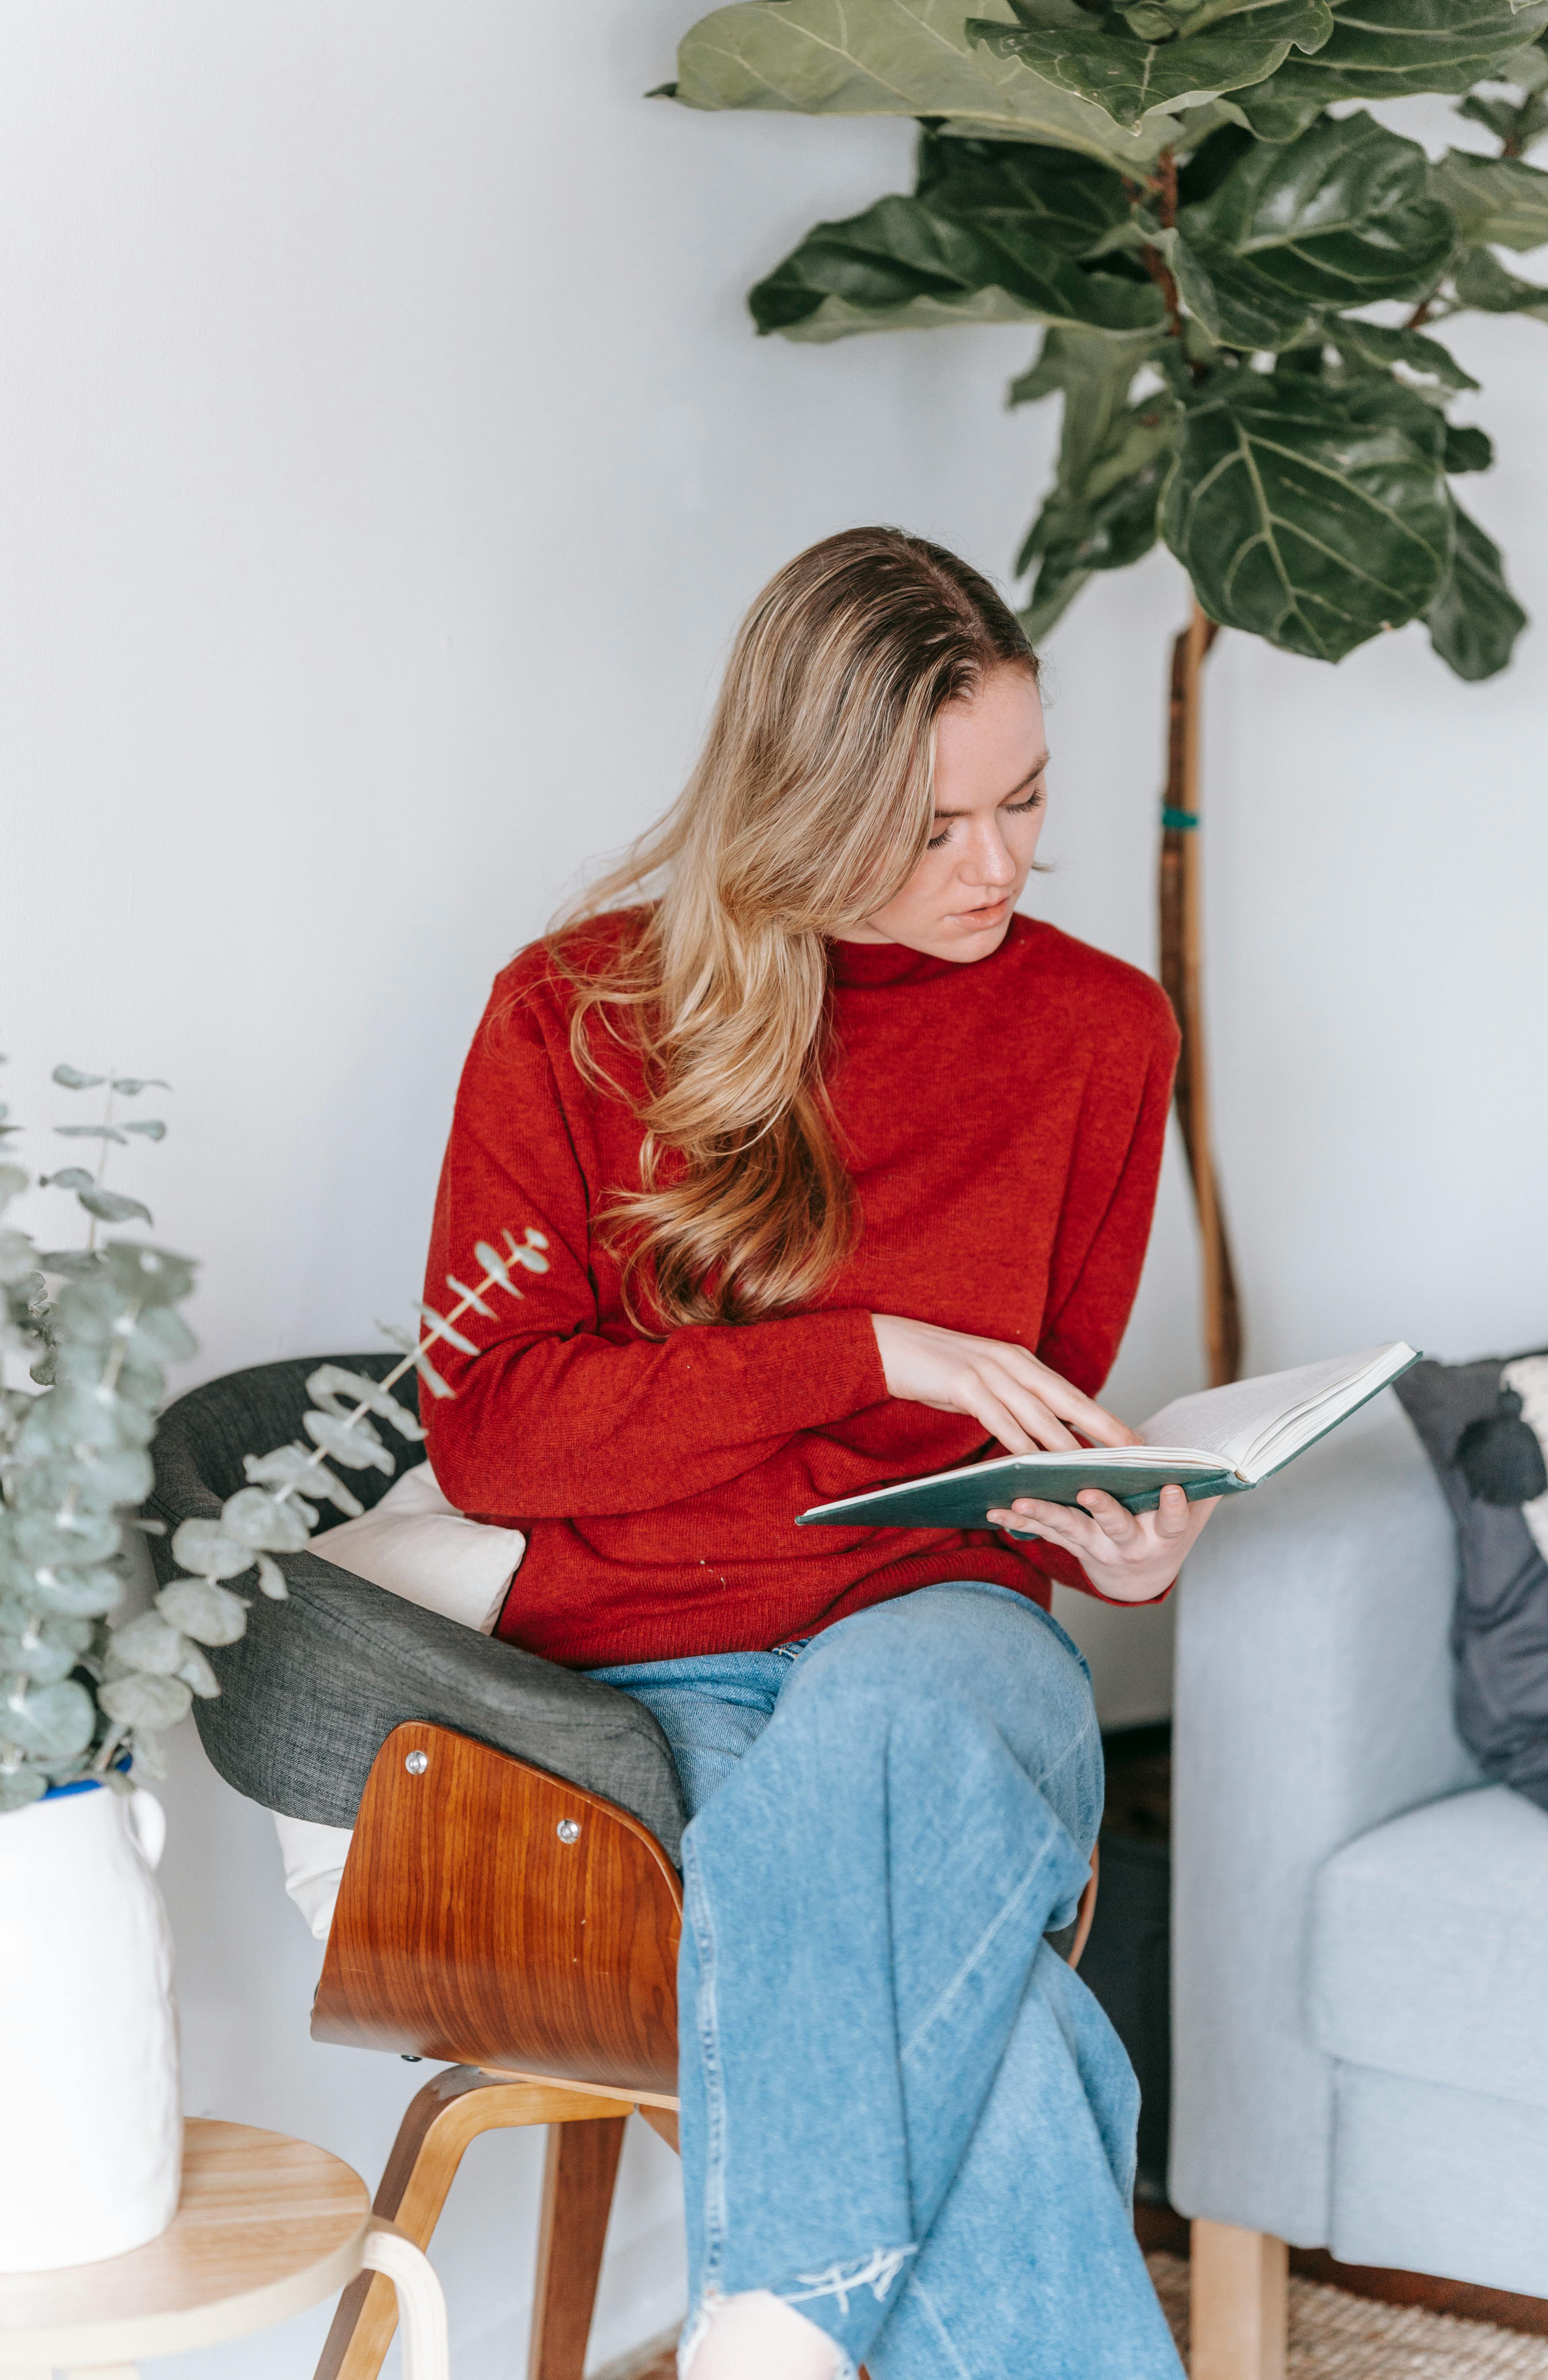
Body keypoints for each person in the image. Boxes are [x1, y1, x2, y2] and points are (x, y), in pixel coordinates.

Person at [422, 527, 1217, 2380]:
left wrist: (1121, 1544)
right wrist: (861, 1350)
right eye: (934, 828)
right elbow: (492, 1435)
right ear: (796, 800)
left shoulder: (1102, 1032)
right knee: (990, 2043)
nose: (999, 865)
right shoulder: (580, 1017)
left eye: (1024, 802)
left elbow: (1029, 1454)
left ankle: (767, 2327)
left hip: (947, 1645)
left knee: (874, 1758)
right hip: (656, 1671)